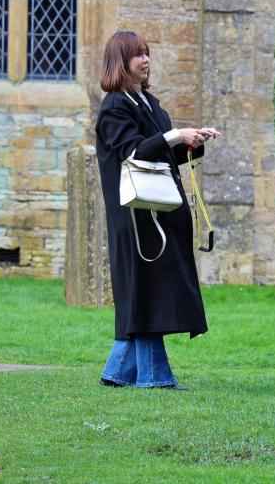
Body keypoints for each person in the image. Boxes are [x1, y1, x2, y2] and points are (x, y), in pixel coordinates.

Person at [94, 31, 221, 390]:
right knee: (148, 292)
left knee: (149, 292)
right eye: (138, 55)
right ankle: (154, 377)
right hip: (135, 218)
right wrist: (176, 135)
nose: (146, 60)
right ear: (122, 63)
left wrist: (192, 142)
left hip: (157, 216)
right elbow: (133, 153)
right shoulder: (114, 107)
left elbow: (164, 154)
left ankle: (118, 371)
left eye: (148, 53)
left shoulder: (150, 104)